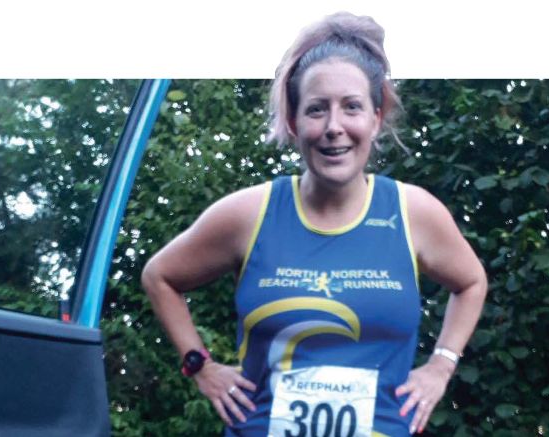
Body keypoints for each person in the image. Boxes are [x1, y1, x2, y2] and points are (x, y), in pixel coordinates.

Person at [142, 11, 488, 436]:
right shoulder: (249, 214)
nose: (333, 127)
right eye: (316, 110)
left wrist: (441, 365)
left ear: (376, 119)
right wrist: (200, 365)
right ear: (294, 122)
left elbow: (472, 282)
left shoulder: (412, 212)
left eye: (352, 107)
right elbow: (159, 276)